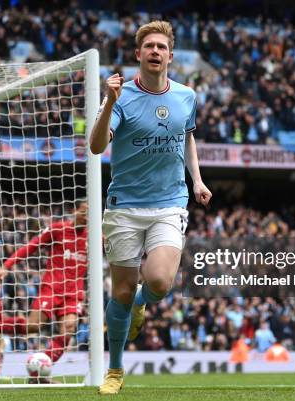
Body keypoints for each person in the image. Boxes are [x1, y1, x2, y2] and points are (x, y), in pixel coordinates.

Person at [89, 20, 211, 394]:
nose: (155, 52)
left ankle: (144, 302)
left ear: (170, 56)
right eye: (149, 47)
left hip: (169, 203)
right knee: (121, 294)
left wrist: (198, 180)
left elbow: (186, 138)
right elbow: (95, 147)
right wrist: (108, 102)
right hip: (125, 206)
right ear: (138, 54)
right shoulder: (120, 95)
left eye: (161, 47)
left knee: (158, 281)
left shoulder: (186, 96)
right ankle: (114, 370)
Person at [0, 201, 88, 373]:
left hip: (73, 293)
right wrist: (7, 265)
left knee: (68, 329)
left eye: (90, 213)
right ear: (74, 211)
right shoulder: (57, 229)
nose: (86, 216)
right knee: (33, 326)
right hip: (52, 287)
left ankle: (38, 373)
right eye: (83, 211)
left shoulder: (95, 237)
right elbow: (31, 246)